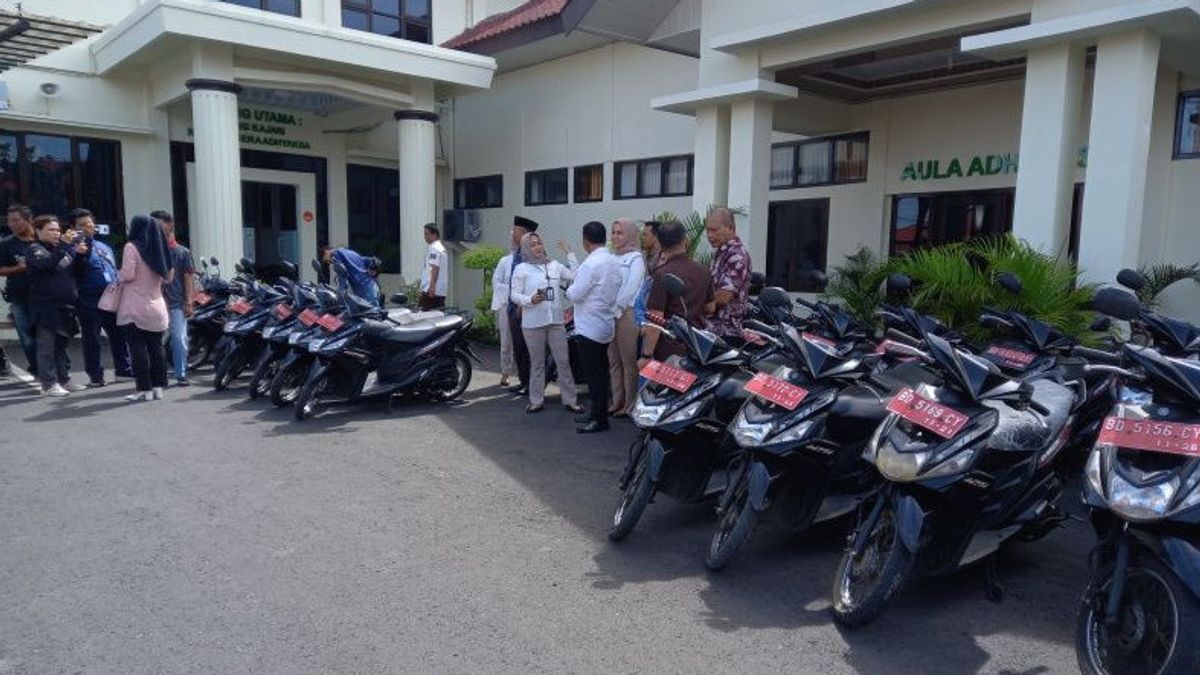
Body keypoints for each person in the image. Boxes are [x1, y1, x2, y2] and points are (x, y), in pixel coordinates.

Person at [510, 232, 581, 415]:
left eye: (539, 243)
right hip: (533, 323)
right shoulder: (522, 268)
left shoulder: (554, 265)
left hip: (555, 322)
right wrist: (529, 299)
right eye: (532, 244)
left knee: (563, 361)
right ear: (526, 248)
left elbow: (575, 275)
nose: (537, 247)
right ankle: (536, 400)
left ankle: (570, 400)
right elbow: (514, 295)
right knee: (537, 363)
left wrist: (570, 254)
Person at [567, 221, 622, 433]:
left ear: (585, 240)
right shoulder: (613, 261)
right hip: (605, 324)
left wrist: (569, 289)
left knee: (595, 376)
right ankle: (595, 412)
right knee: (600, 373)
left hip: (589, 327)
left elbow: (576, 294)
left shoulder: (591, 264)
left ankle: (599, 419)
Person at [638, 220, 714, 366]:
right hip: (697, 349)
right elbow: (710, 308)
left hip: (669, 351)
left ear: (659, 243)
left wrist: (646, 355)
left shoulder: (661, 275)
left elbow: (655, 319)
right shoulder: (704, 271)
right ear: (685, 241)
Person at [71, 208, 132, 387]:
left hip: (111, 297)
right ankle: (96, 376)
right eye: (82, 225)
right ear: (74, 227)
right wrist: (80, 253)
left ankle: (124, 370)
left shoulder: (103, 246)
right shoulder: (71, 246)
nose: (88, 227)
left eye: (90, 224)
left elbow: (113, 269)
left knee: (119, 335)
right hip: (88, 299)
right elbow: (74, 272)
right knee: (92, 339)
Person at [26, 215, 86, 396]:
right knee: (46, 346)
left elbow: (74, 271)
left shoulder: (60, 249)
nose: (56, 233)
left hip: (65, 306)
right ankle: (49, 383)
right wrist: (65, 246)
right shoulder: (35, 249)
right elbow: (47, 264)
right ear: (38, 230)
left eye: (58, 230)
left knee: (61, 346)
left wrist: (81, 255)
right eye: (51, 229)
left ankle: (64, 380)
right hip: (46, 306)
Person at [116, 215, 172, 402]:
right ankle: (158, 387)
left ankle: (144, 389)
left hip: (134, 305)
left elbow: (127, 274)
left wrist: (118, 275)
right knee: (156, 347)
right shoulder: (160, 249)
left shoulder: (131, 247)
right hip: (157, 305)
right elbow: (168, 278)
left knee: (137, 349)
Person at [150, 211, 195, 386]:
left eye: (160, 225)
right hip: (153, 303)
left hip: (177, 303)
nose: (157, 229)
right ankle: (157, 376)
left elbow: (188, 278)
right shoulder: (149, 251)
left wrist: (189, 302)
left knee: (179, 339)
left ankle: (180, 373)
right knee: (154, 342)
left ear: (170, 226)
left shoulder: (183, 252)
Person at [607, 218, 646, 417]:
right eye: (613, 232)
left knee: (628, 362)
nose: (615, 237)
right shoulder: (613, 257)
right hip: (610, 313)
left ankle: (630, 405)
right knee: (614, 361)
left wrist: (617, 307)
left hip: (626, 313)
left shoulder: (635, 259)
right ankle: (617, 400)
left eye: (620, 233)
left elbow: (631, 287)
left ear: (630, 235)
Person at [704, 206, 752, 345]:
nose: (709, 235)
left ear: (730, 228)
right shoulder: (720, 252)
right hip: (712, 330)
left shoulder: (737, 255)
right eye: (707, 230)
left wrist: (700, 303)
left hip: (727, 333)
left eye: (714, 230)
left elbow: (724, 296)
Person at [0, 205, 39, 374]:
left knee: (50, 334)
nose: (12, 224)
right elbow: (1, 270)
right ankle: (36, 367)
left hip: (44, 296)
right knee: (27, 336)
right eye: (9, 221)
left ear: (29, 220)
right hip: (18, 297)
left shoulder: (41, 239)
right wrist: (18, 268)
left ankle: (58, 369)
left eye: (16, 220)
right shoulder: (7, 244)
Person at [505, 216, 538, 395]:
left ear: (524, 233)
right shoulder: (517, 252)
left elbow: (534, 281)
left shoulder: (531, 253)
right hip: (514, 306)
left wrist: (522, 303)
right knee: (519, 347)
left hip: (523, 308)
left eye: (516, 230)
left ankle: (531, 384)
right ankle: (524, 381)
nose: (512, 233)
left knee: (527, 348)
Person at [491, 241, 516, 387]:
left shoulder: (528, 261)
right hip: (506, 305)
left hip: (525, 306)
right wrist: (513, 291)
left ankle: (526, 375)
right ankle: (505, 372)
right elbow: (496, 281)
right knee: (506, 341)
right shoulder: (504, 261)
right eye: (512, 240)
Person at [420, 223, 448, 310]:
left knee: (425, 318)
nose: (425, 237)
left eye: (426, 234)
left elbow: (434, 268)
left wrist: (431, 287)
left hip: (431, 291)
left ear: (434, 235)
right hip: (439, 290)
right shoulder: (439, 248)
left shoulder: (435, 248)